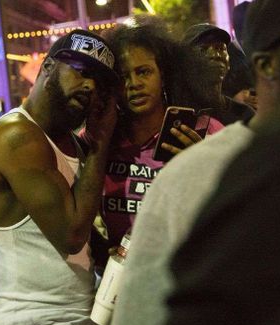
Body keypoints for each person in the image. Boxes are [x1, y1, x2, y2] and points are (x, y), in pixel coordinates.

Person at [165, 0, 280, 325]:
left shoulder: (247, 124)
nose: (216, 55)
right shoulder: (256, 163)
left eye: (221, 48)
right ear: (267, 66)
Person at [0, 29, 118, 325]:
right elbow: (70, 235)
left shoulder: (69, 141)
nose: (91, 86)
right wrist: (99, 143)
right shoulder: (17, 136)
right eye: (82, 71)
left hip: (76, 323)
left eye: (99, 81)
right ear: (48, 67)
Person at [94, 20, 225, 265]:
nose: (134, 84)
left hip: (187, 274)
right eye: (123, 78)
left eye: (143, 72)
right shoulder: (100, 140)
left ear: (163, 75)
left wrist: (201, 165)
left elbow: (233, 211)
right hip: (123, 283)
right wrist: (104, 252)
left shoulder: (205, 131)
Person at [182, 23, 255, 125]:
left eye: (220, 48)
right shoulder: (179, 113)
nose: (215, 55)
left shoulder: (245, 115)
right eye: (203, 50)